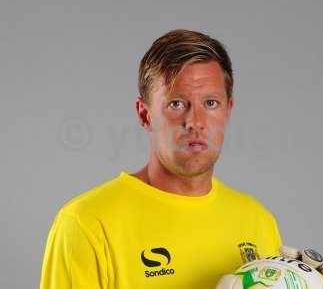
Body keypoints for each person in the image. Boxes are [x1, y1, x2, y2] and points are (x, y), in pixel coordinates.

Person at [39, 29, 283, 289]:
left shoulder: (258, 221)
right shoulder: (86, 224)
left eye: (210, 103)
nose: (195, 122)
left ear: (228, 110)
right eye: (176, 104)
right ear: (145, 114)